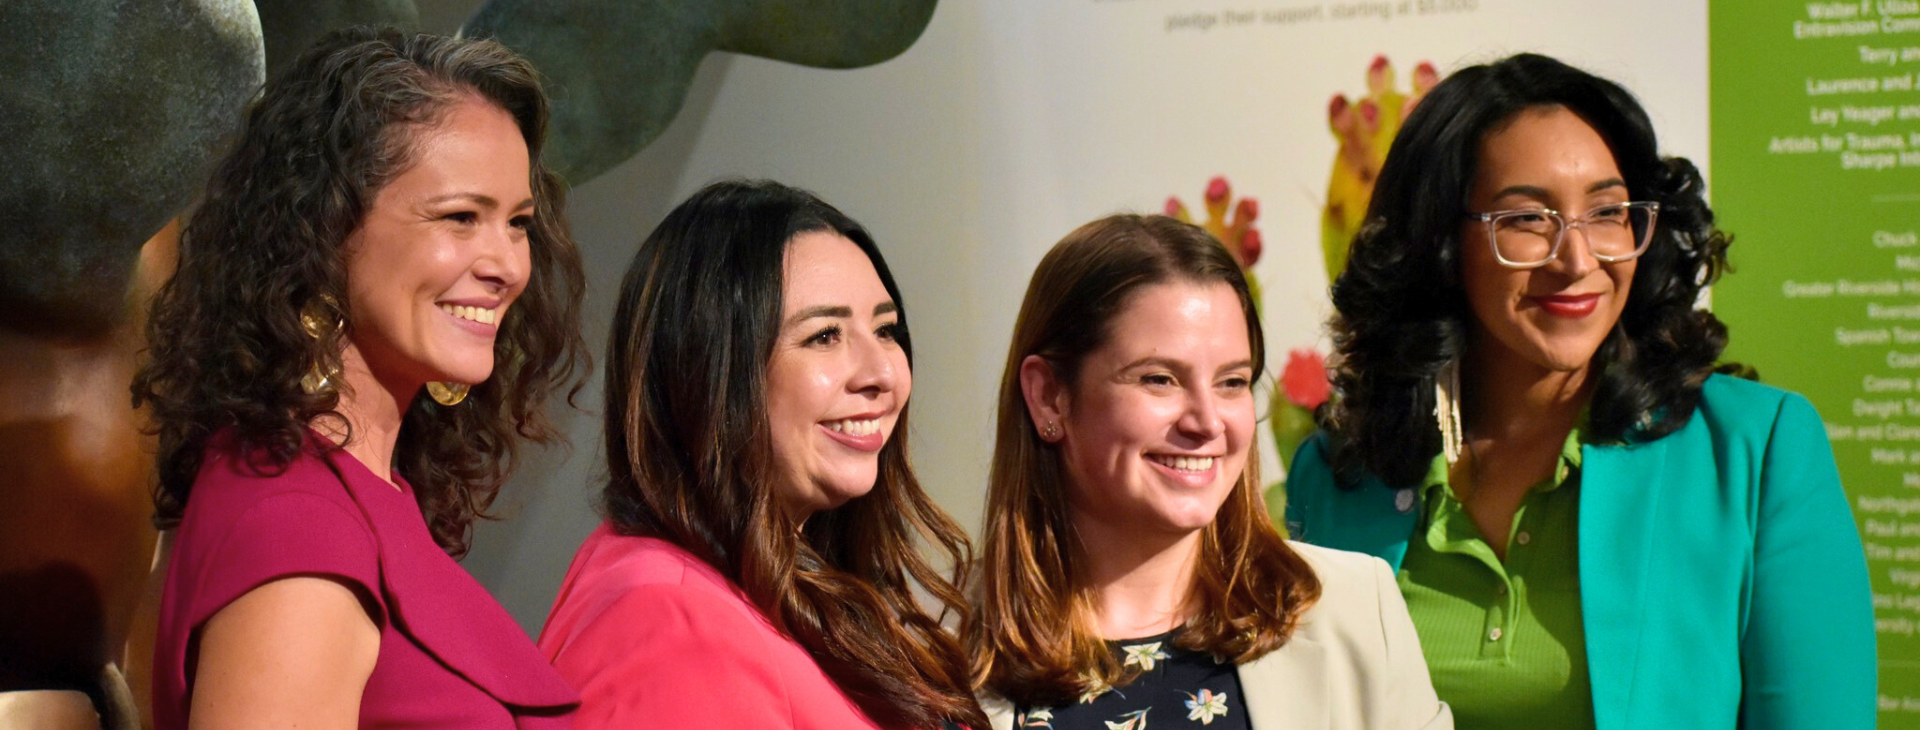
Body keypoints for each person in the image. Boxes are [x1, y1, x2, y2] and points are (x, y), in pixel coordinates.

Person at [1285, 53, 1876, 730]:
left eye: (1607, 211)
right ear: (1441, 243)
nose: (1578, 260)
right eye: (1528, 220)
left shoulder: (1755, 451)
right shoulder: (1339, 472)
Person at [133, 27, 587, 729]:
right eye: (461, 217)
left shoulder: (366, 495)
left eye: (518, 223)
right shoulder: (295, 527)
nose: (507, 265)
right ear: (323, 229)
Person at [967, 214, 1450, 730]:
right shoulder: (937, 656)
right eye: (1159, 379)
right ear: (1049, 397)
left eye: (1232, 382)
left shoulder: (1355, 611)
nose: (1206, 421)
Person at [538, 180, 985, 730]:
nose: (883, 375)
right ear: (707, 373)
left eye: (886, 330)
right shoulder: (671, 617)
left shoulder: (784, 581)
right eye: (824, 336)